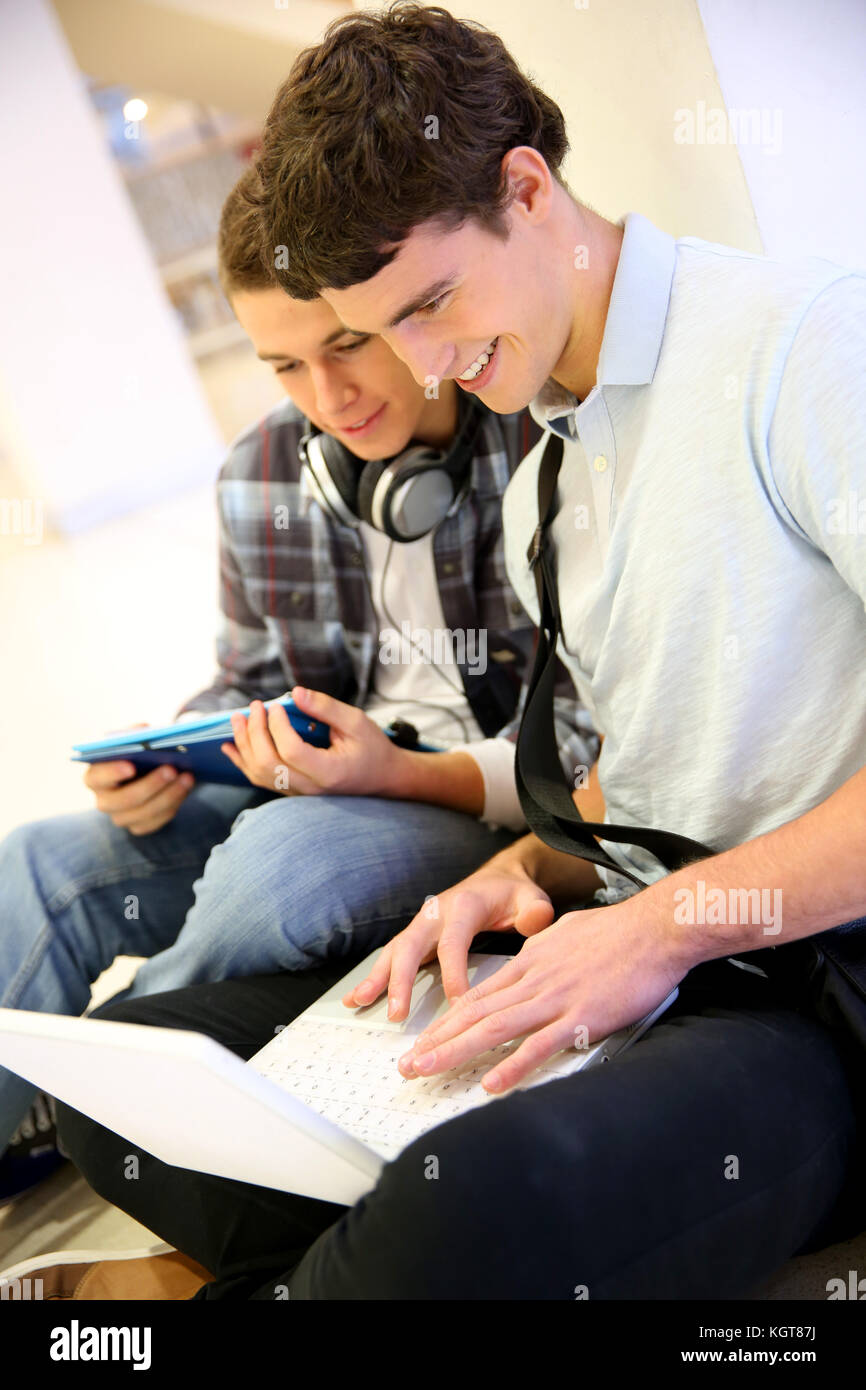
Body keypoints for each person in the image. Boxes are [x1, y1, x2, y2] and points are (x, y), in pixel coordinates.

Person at [47, 2, 866, 1299]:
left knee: (484, 1201)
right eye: (388, 328)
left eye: (427, 304)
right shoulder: (552, 453)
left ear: (526, 189)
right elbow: (654, 760)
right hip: (619, 926)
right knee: (137, 1084)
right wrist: (525, 865)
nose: (425, 363)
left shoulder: (802, 345)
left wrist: (660, 925)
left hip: (803, 988)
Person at [0, 164, 599, 1205]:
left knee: (283, 861)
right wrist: (170, 753)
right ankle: (32, 1106)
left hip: (481, 804)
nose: (329, 401)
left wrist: (400, 773)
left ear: (398, 311)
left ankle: (114, 1081)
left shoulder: (536, 439)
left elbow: (593, 755)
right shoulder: (267, 467)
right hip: (324, 781)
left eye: (347, 345)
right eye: (283, 365)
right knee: (44, 860)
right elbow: (249, 676)